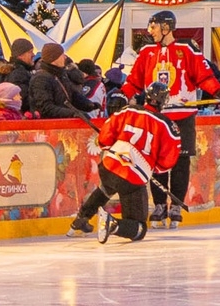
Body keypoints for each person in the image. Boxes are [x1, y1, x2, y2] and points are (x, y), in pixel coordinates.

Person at [123, 12, 220, 224]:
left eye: (154, 27)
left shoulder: (187, 49)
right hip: (156, 117)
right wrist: (121, 95)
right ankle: (160, 205)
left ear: (166, 28)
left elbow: (204, 76)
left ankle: (176, 205)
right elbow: (133, 81)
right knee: (156, 161)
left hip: (182, 116)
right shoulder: (146, 52)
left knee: (180, 162)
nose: (150, 31)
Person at [71, 84, 181, 243]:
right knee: (139, 229)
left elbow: (104, 138)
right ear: (164, 101)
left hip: (110, 165)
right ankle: (112, 224)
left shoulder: (126, 110)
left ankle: (80, 220)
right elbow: (168, 159)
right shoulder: (168, 125)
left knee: (106, 188)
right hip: (133, 178)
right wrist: (153, 168)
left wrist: (114, 149)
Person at [25, 43, 82, 122]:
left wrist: (88, 104)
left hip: (63, 123)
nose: (65, 57)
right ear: (54, 58)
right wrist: (72, 113)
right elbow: (45, 108)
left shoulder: (61, 75)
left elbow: (71, 94)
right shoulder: (41, 79)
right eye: (62, 54)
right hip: (48, 125)